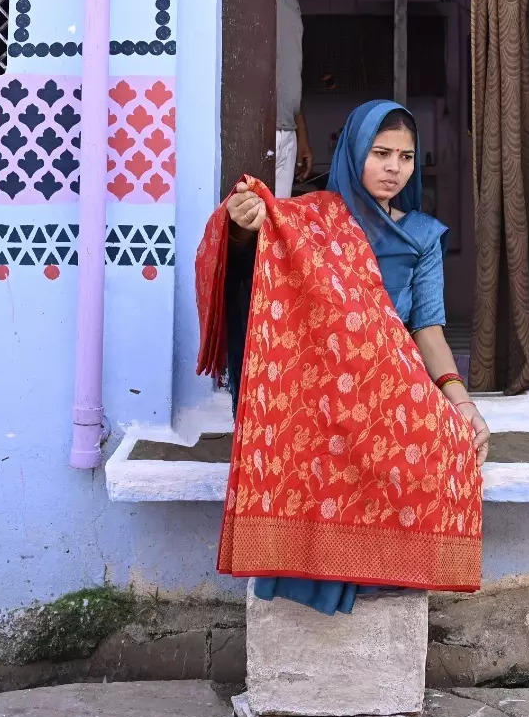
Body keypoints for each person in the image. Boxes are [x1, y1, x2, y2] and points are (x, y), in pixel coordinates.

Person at [198, 100, 490, 615]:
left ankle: (382, 567)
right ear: (355, 153)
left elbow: (428, 328)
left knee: (446, 445)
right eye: (381, 153)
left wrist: (460, 400)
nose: (394, 168)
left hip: (386, 383)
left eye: (405, 156)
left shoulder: (422, 236)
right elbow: (255, 250)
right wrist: (242, 224)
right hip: (317, 386)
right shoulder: (310, 220)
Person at [273, 0, 312, 198]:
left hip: (286, 134)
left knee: (275, 236)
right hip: (252, 131)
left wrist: (301, 135)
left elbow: (290, 74)